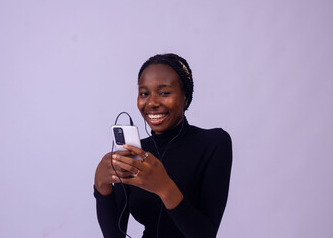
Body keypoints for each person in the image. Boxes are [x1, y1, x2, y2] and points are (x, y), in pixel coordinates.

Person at [94, 53, 232, 238]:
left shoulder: (214, 143)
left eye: (164, 93)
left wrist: (164, 187)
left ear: (185, 96)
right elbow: (115, 236)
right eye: (144, 93)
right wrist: (101, 187)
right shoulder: (134, 153)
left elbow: (205, 234)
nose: (151, 103)